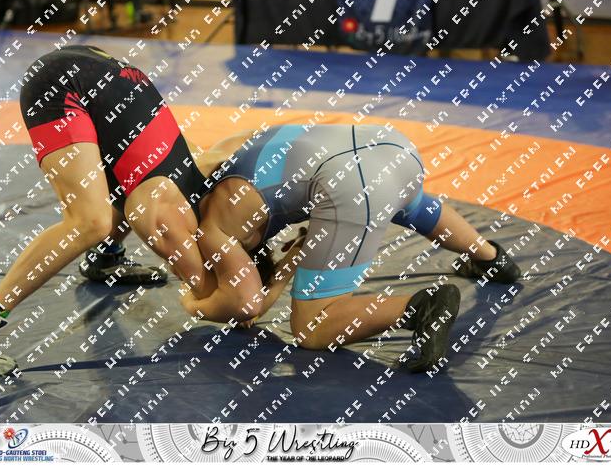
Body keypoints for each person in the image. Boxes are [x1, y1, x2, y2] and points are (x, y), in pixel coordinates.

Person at [0, 44, 212, 376]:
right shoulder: (180, 217)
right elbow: (206, 294)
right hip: (60, 86)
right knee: (89, 222)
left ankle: (106, 257)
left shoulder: (209, 192)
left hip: (102, 79)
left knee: (134, 181)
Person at [174, 124, 520, 373]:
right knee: (410, 206)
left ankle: (422, 308)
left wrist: (192, 304)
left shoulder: (213, 229)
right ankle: (491, 258)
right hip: (393, 147)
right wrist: (291, 258)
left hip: (354, 184)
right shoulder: (230, 149)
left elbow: (245, 304)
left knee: (310, 327)